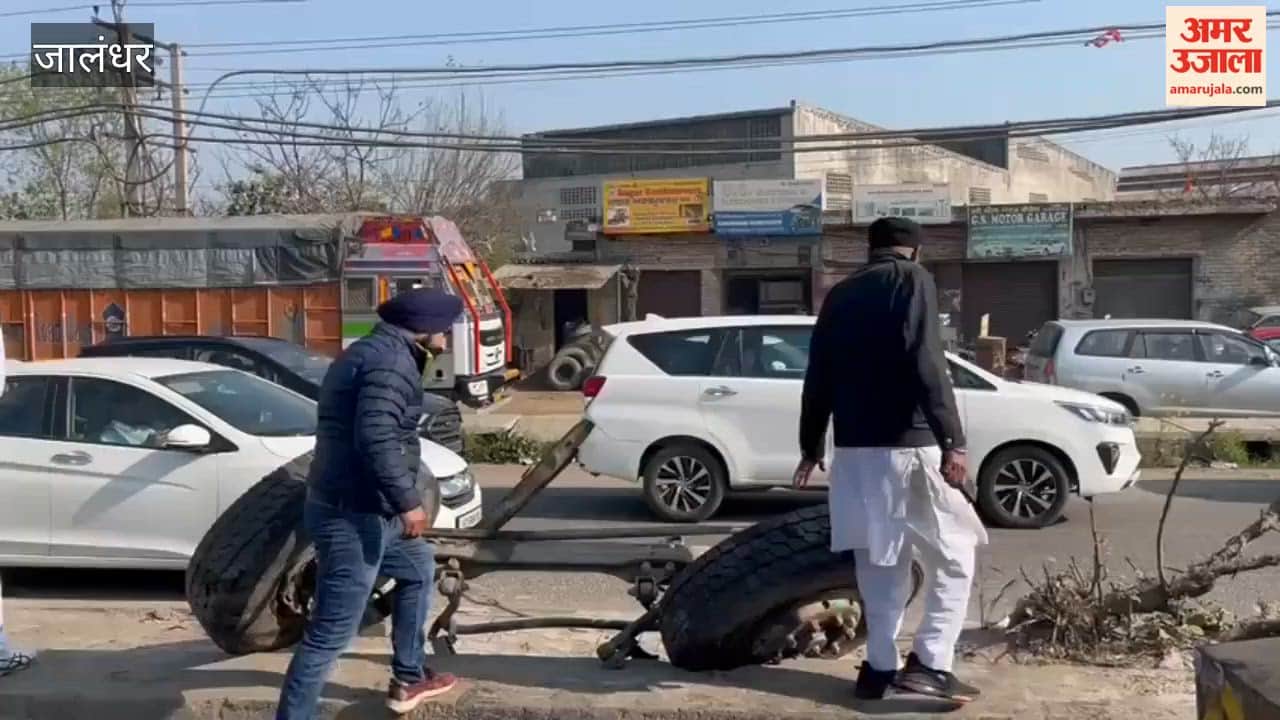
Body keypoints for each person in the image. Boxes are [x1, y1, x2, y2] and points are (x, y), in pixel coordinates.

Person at [793, 217, 989, 703]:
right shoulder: (912, 279)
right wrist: (954, 440)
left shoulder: (840, 294)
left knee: (882, 565)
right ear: (914, 251)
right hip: (909, 446)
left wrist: (810, 445)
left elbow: (818, 375)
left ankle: (880, 670)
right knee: (955, 553)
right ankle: (931, 664)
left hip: (855, 453)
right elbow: (926, 359)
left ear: (872, 248)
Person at [275, 288, 464, 719]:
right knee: (330, 634)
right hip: (354, 514)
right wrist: (407, 502)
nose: (447, 338)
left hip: (365, 507)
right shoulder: (391, 364)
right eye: (445, 328)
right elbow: (376, 438)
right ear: (425, 328)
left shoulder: (374, 351)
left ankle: (409, 676)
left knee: (418, 568)